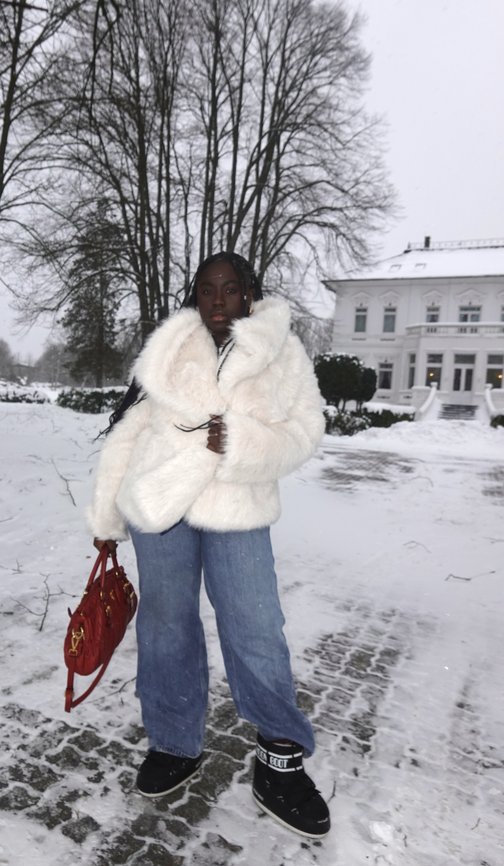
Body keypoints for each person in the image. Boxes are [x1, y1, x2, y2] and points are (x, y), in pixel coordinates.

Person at [87, 251, 330, 838]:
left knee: (255, 625)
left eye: (229, 289)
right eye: (206, 290)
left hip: (238, 506)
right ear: (195, 296)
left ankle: (280, 758)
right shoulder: (173, 343)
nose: (217, 301)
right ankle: (174, 743)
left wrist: (243, 441)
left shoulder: (280, 352)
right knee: (166, 627)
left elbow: (305, 431)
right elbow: (130, 430)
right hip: (162, 506)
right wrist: (105, 516)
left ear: (250, 292)